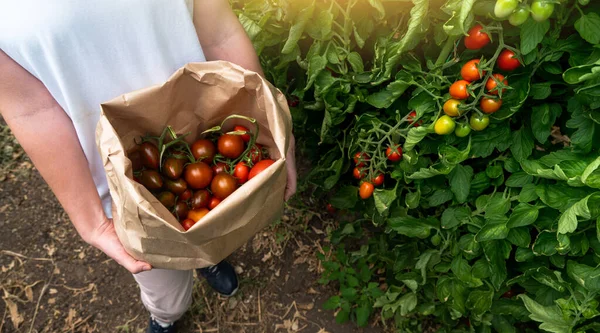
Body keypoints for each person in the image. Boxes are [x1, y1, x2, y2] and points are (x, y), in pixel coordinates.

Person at [0, 1, 297, 332]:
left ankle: (209, 259)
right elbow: (31, 110)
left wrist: (274, 128)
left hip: (210, 140)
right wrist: (91, 221)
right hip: (126, 187)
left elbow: (219, 32)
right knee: (163, 285)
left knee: (209, 227)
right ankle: (165, 317)